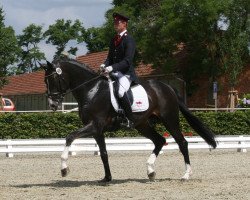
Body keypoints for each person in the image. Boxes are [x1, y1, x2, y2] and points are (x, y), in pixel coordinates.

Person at [100, 12, 138, 128]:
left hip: (126, 74)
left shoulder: (129, 40)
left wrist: (112, 67)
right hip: (114, 73)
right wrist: (104, 65)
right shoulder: (114, 40)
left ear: (125, 24)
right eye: (115, 22)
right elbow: (109, 58)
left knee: (121, 92)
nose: (115, 24)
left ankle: (129, 119)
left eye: (118, 22)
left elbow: (127, 61)